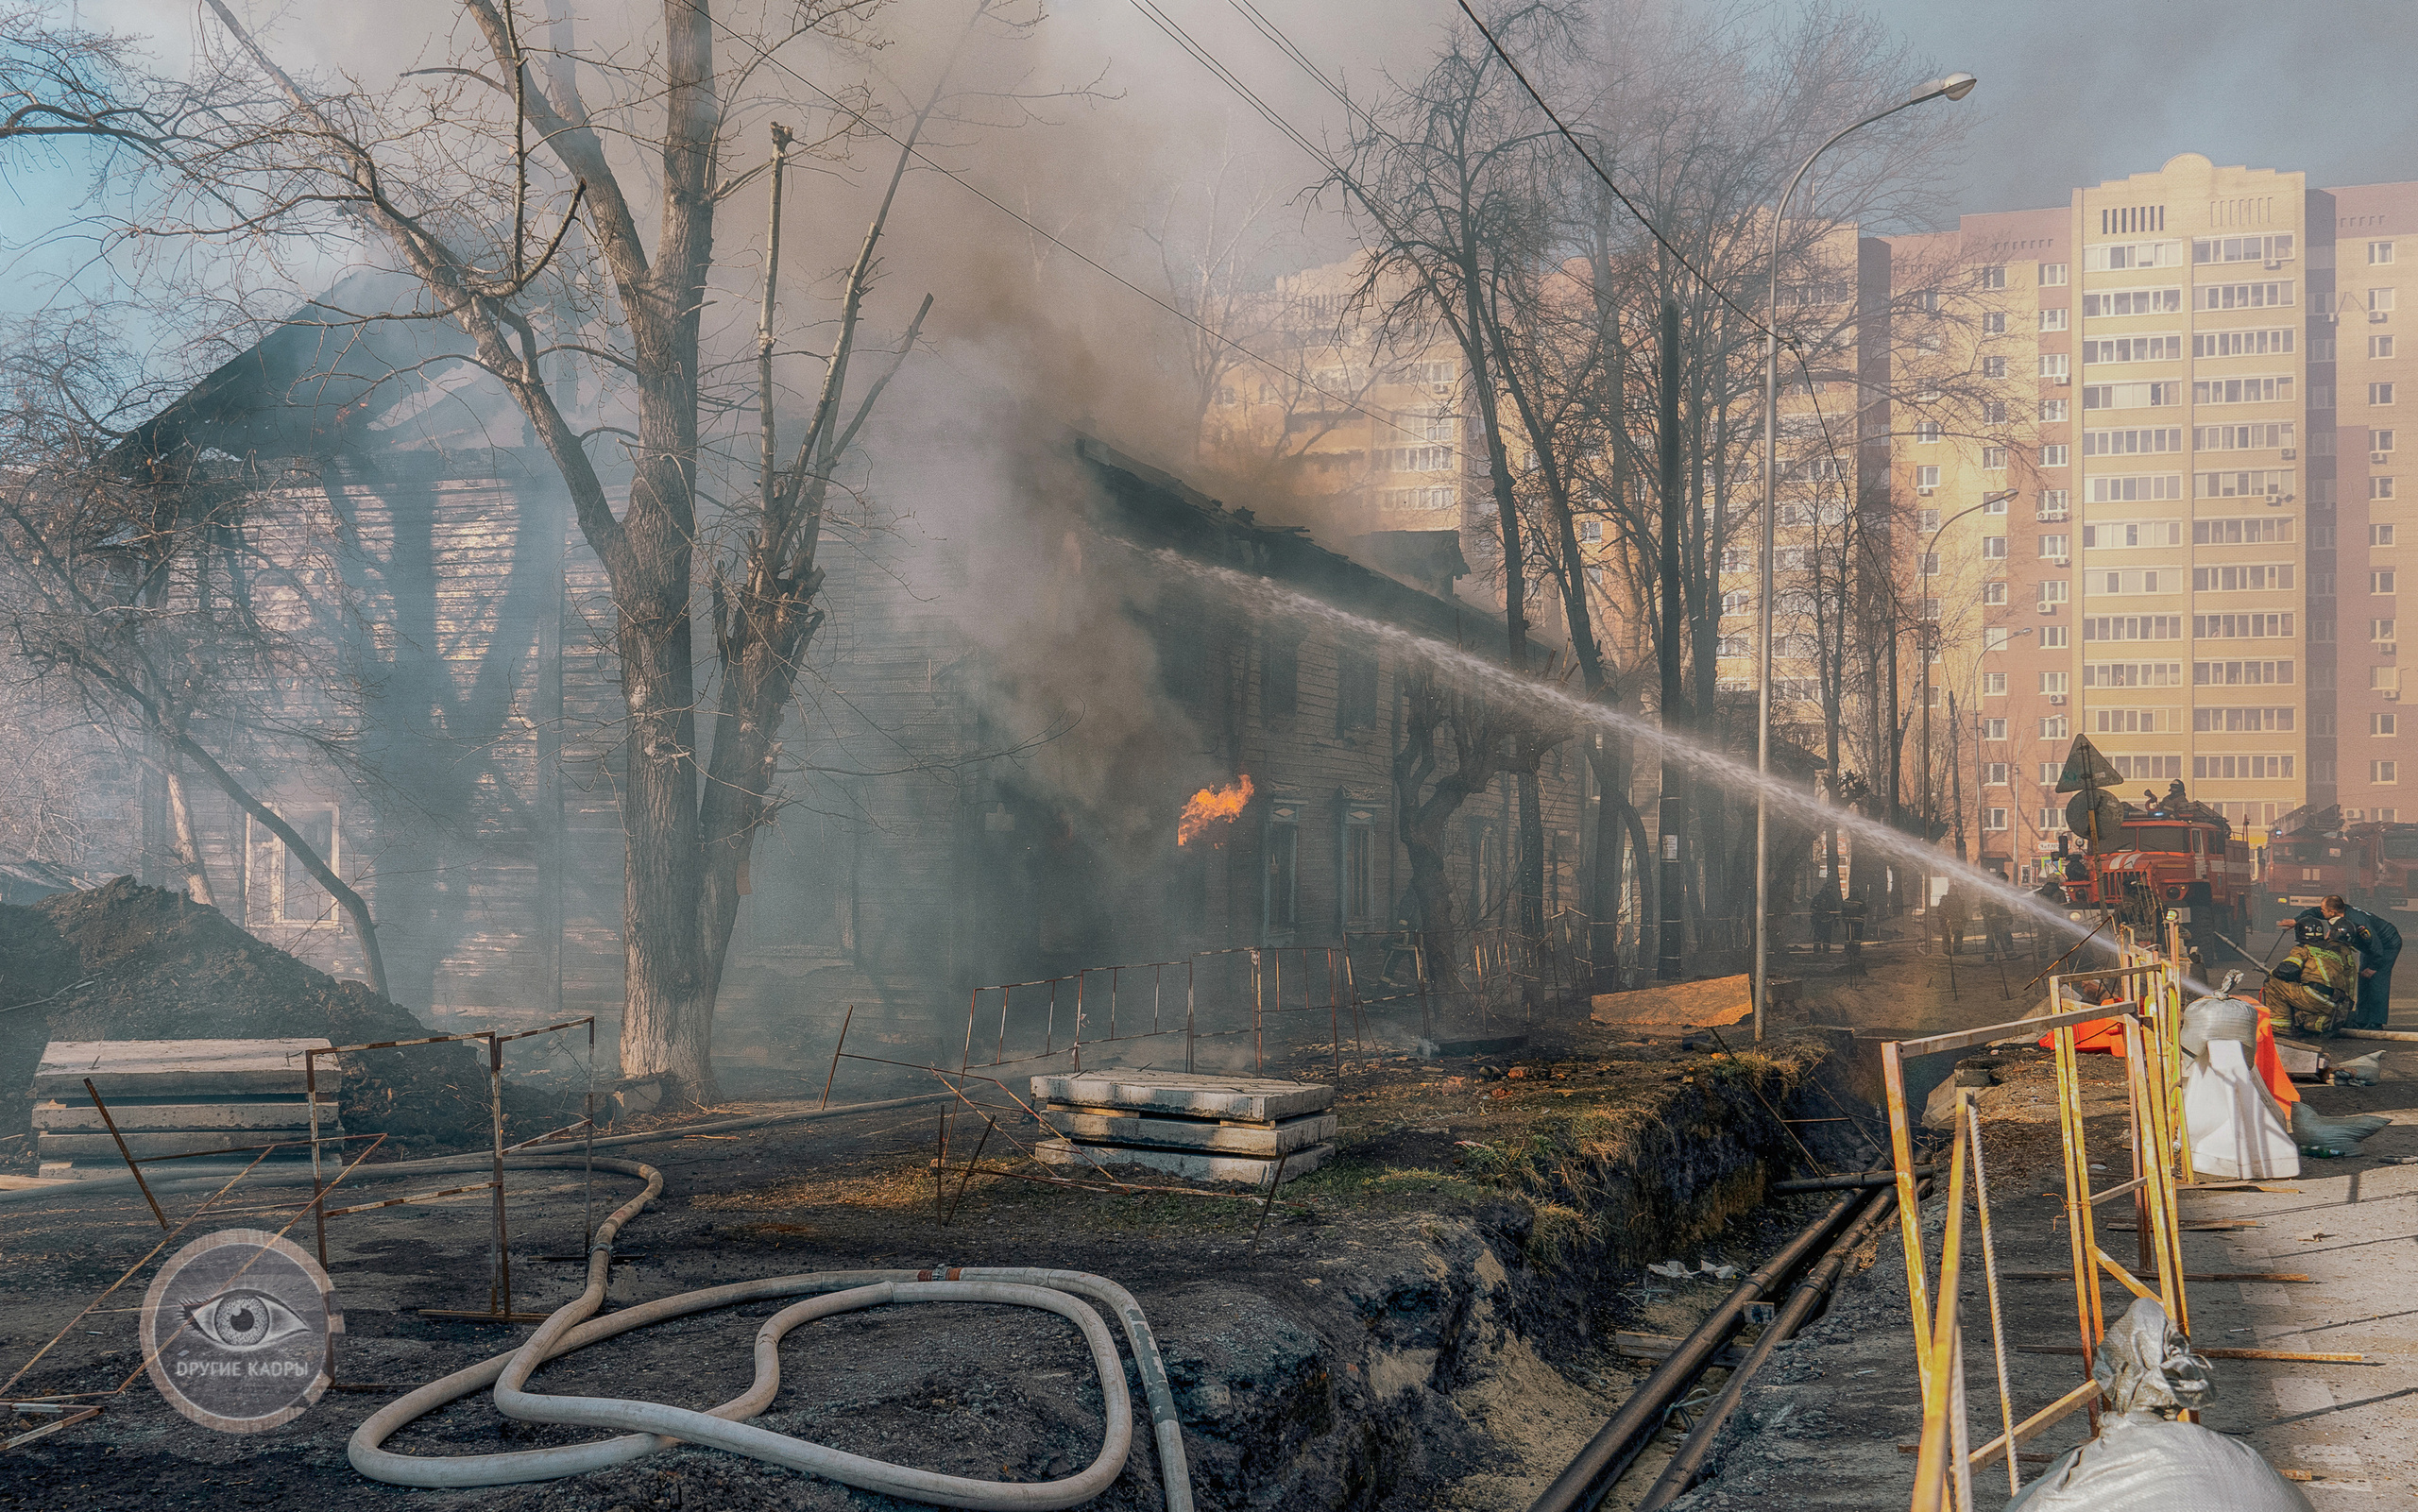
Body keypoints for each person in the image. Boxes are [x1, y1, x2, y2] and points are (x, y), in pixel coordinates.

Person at [2303, 894, 2403, 1030]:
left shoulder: (2358, 922)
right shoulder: (2338, 911)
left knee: (2377, 981)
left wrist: (2373, 967)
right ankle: (2362, 1019)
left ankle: (2376, 1022)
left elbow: (2375, 945)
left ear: (2333, 912)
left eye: (2323, 909)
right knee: (2363, 979)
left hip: (2386, 944)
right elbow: (2314, 912)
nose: (2321, 911)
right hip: (2370, 947)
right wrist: (2295, 920)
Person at [2263, 912, 2362, 1036]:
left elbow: (2286, 970)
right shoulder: (2335, 951)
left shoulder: (2303, 948)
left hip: (2318, 998)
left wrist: (2272, 972)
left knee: (2273, 982)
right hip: (2339, 1003)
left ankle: (2280, 1029)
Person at [1981, 873, 2017, 961]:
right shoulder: (1989, 890)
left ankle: (2010, 955)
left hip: (2000, 918)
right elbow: (1984, 904)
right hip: (1992, 919)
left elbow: (2003, 905)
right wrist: (1991, 915)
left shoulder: (2000, 891)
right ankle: (1989, 957)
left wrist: (2009, 915)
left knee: (2005, 935)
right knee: (1992, 937)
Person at [1937, 884, 1968, 957]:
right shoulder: (1945, 899)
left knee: (1959, 934)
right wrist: (1945, 918)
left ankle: (1957, 950)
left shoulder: (1959, 899)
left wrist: (1963, 918)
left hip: (1957, 920)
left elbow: (1962, 910)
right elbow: (1941, 910)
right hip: (1947, 920)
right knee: (1946, 936)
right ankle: (1946, 951)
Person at [1810, 887, 1838, 954]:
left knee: (1820, 935)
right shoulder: (1830, 898)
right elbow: (1812, 909)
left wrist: (1813, 918)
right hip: (1823, 921)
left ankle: (1820, 950)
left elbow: (1834, 910)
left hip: (1822, 920)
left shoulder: (1818, 898)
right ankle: (1823, 950)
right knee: (1824, 935)